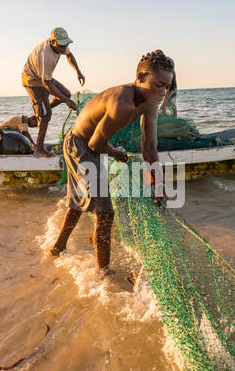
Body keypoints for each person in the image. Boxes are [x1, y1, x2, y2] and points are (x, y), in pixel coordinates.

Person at [50, 50, 174, 276]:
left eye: (167, 86)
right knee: (105, 212)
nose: (163, 92)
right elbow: (96, 145)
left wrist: (159, 183)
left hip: (90, 145)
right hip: (79, 145)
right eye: (158, 84)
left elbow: (149, 147)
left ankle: (58, 247)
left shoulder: (150, 102)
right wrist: (116, 152)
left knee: (82, 199)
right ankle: (104, 274)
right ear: (140, 78)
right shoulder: (122, 103)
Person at [22, 27, 85, 157]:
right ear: (53, 42)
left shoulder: (61, 46)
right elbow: (47, 84)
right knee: (46, 115)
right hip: (32, 80)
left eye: (66, 44)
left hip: (44, 78)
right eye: (62, 45)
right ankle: (39, 149)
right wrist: (68, 102)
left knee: (65, 94)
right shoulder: (45, 55)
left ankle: (38, 114)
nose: (65, 47)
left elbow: (69, 55)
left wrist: (78, 72)